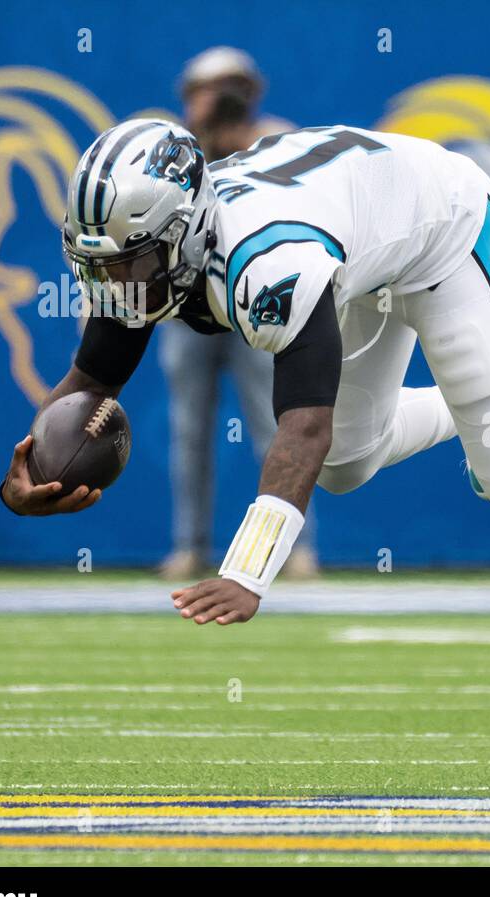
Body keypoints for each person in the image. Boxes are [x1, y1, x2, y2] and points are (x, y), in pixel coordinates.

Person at [0, 120, 490, 624]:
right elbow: (88, 387)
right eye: (101, 265)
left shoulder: (267, 262)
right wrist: (30, 471)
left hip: (442, 227)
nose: (116, 284)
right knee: (344, 464)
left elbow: (302, 426)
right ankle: (479, 405)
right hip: (355, 248)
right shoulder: (144, 258)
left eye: (129, 263)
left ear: (189, 231)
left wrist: (249, 570)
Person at [158, 47, 318, 580]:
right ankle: (190, 545)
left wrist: (241, 141)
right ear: (188, 97)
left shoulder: (278, 137)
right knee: (189, 432)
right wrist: (200, 137)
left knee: (281, 425)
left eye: (233, 86)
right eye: (211, 88)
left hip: (259, 303)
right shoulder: (167, 149)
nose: (224, 98)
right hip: (188, 305)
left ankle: (293, 548)